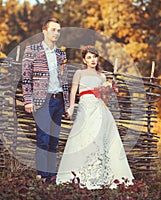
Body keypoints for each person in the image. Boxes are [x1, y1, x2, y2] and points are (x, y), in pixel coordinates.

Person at [56, 46, 134, 189]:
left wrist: (108, 90)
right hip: (85, 108)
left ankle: (103, 174)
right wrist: (71, 108)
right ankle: (80, 173)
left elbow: (104, 98)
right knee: (84, 138)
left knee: (100, 139)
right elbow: (73, 92)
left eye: (94, 57)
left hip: (99, 109)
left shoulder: (102, 76)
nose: (92, 60)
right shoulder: (79, 73)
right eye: (89, 57)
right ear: (84, 60)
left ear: (98, 58)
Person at [22, 18, 69, 183]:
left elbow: (64, 81)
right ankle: (42, 176)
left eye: (58, 30)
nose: (56, 33)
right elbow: (26, 77)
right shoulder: (32, 50)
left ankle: (51, 176)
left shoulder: (61, 54)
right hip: (42, 101)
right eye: (53, 30)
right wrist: (28, 100)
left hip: (58, 101)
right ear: (44, 31)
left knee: (54, 140)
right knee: (43, 139)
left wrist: (67, 105)